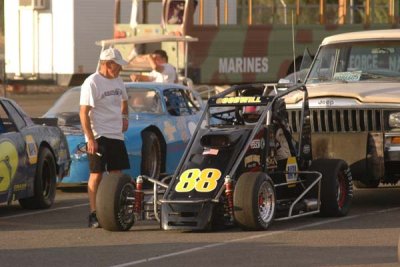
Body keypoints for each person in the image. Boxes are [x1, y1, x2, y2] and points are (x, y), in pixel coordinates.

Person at [79, 47, 130, 228]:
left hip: (116, 134)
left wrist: (125, 117)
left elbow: (124, 101)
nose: (120, 69)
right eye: (117, 65)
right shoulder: (92, 82)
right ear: (108, 64)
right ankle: (94, 213)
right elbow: (84, 112)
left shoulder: (118, 81)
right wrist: (90, 139)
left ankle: (113, 210)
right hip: (99, 135)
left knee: (117, 174)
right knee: (96, 174)